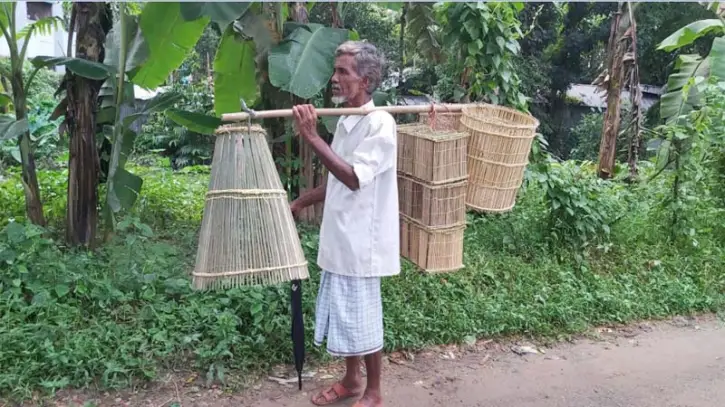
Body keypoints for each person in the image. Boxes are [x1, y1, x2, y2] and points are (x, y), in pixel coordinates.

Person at [290, 41, 399, 407]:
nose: (335, 79)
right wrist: (302, 202)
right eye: (335, 70)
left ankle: (374, 391)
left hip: (362, 243)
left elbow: (353, 177)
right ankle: (351, 381)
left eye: (343, 72)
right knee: (345, 315)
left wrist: (311, 136)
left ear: (365, 80)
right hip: (339, 237)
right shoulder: (348, 120)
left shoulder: (381, 123)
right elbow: (337, 176)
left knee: (364, 317)